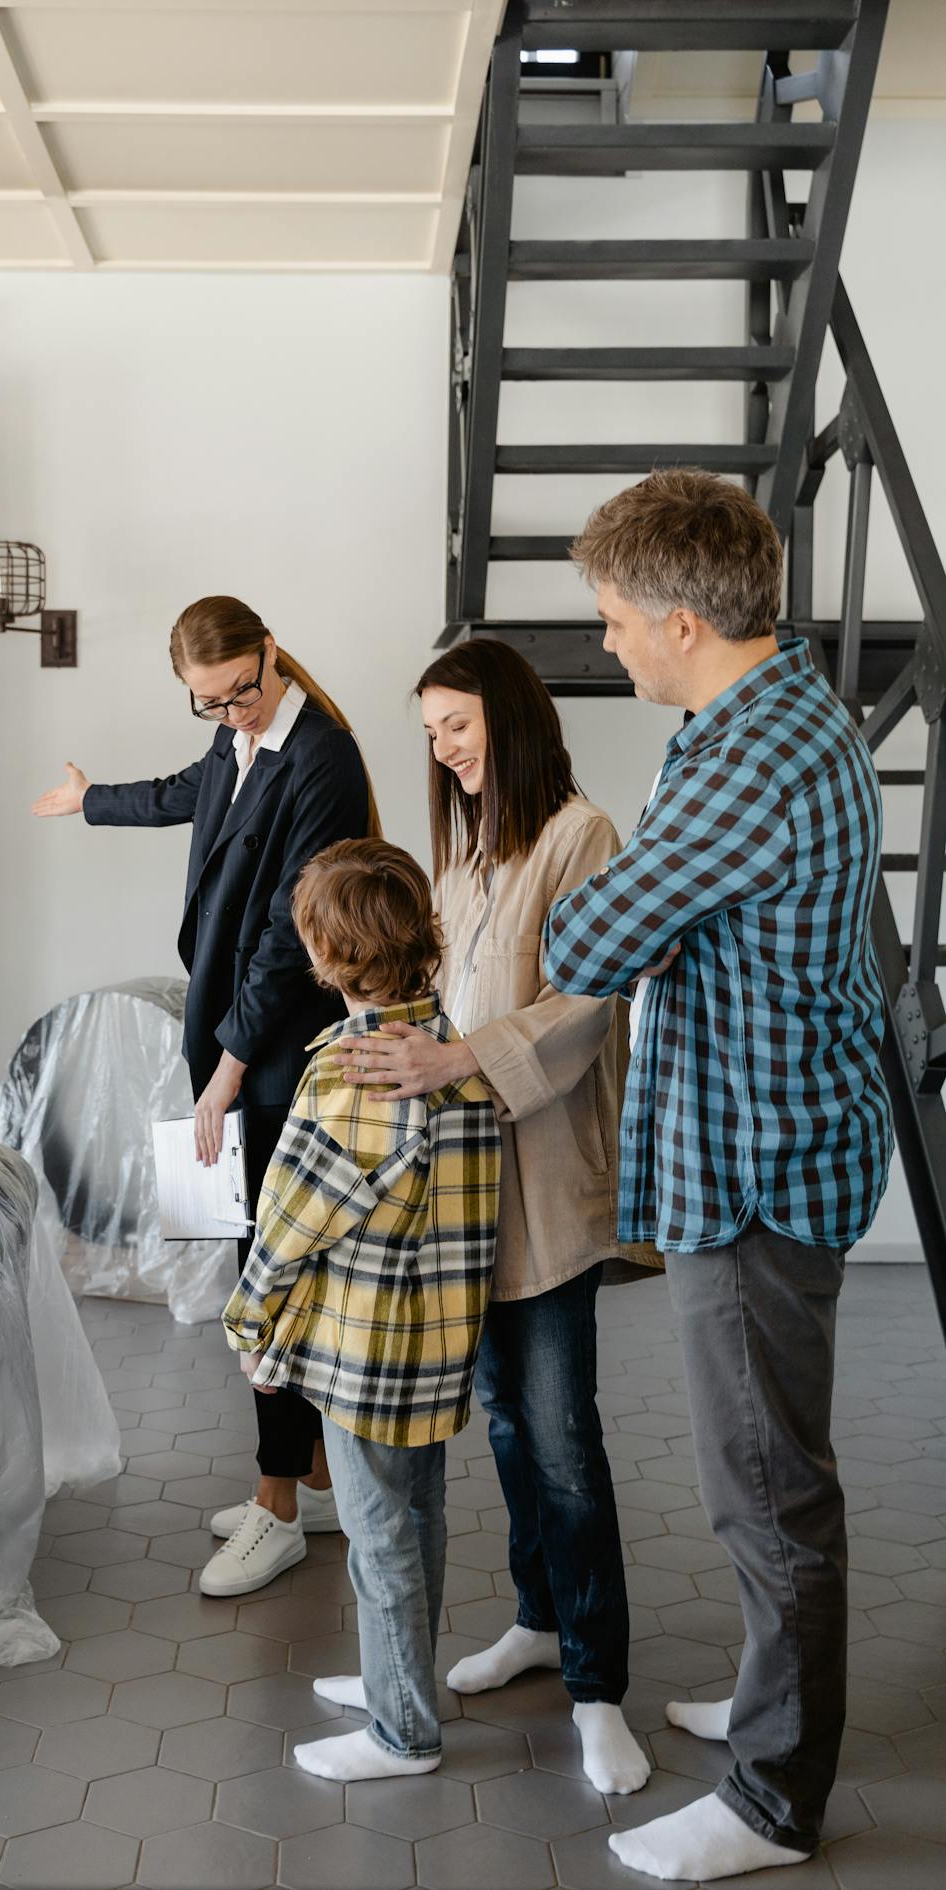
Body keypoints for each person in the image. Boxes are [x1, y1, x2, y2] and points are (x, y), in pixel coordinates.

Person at [544, 469, 892, 1884]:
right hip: (758, 1141)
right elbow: (649, 925)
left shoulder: (751, 760)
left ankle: (771, 1800)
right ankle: (771, 1707)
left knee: (769, 1492)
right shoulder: (751, 716)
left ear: (683, 619)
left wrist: (642, 923)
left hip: (753, 1169)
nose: (608, 642)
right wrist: (658, 924)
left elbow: (586, 939)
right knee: (769, 1478)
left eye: (617, 619)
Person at [335, 639, 651, 1797]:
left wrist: (456, 1057)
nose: (444, 749)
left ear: (509, 718)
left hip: (549, 1187)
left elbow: (584, 1005)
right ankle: (533, 1620)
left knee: (565, 1444)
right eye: (430, 733)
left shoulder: (583, 837)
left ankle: (598, 1688)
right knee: (510, 1426)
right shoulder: (465, 855)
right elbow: (440, 998)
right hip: (467, 1197)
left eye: (457, 725)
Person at [32, 597, 377, 1596]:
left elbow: (287, 937)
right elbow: (186, 788)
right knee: (239, 1256)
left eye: (240, 692)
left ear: (272, 654)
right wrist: (91, 800)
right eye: (209, 703)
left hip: (265, 1048)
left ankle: (275, 1506)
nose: (229, 713)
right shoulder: (241, 743)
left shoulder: (323, 762)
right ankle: (309, 1480)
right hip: (223, 1034)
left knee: (266, 1277)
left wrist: (227, 1070)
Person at [222, 838, 501, 1782]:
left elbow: (291, 1222)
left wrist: (249, 1326)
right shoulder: (450, 1053)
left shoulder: (349, 1074)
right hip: (439, 1344)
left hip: (363, 1354)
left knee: (379, 1536)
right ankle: (399, 1681)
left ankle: (402, 1733)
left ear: (326, 959)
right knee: (419, 1516)